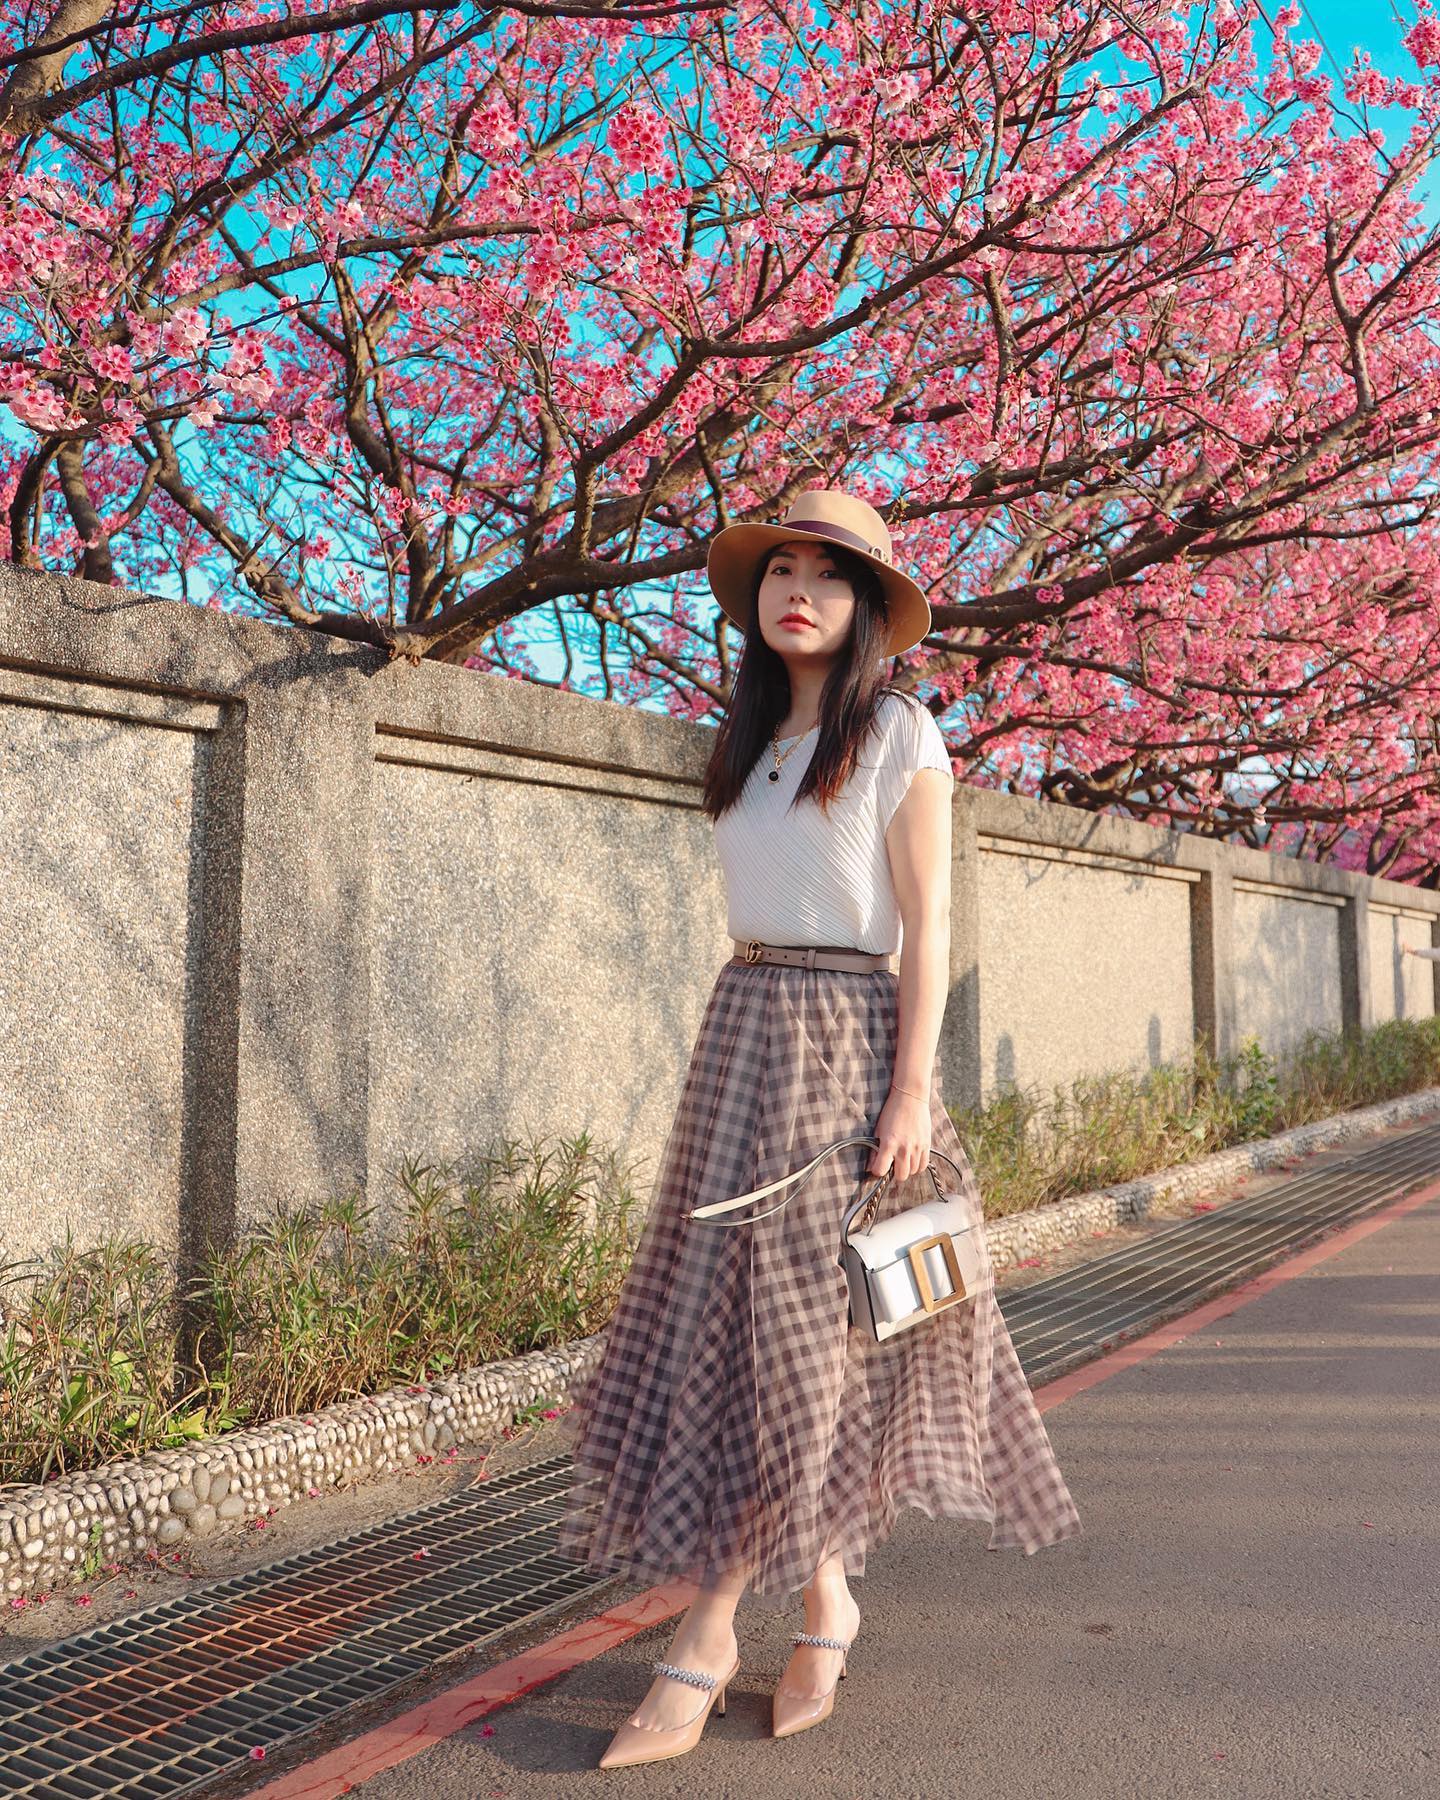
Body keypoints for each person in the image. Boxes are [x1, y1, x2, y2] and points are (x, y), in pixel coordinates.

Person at [557, 488, 1082, 1769]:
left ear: (869, 610)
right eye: (782, 569)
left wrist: (911, 1089)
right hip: (742, 1031)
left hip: (847, 1044)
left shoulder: (898, 729)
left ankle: (708, 1627)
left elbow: (929, 926)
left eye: (831, 576)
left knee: (799, 1332)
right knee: (734, 1323)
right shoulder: (746, 739)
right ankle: (828, 1601)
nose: (799, 591)